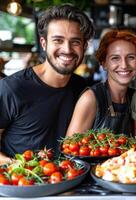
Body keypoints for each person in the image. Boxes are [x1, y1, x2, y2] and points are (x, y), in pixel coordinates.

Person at [0, 4, 94, 164]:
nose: (67, 49)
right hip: (21, 183)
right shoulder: (12, 88)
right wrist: (18, 166)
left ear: (84, 47)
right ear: (44, 44)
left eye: (75, 42)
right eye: (58, 40)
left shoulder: (80, 86)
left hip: (67, 181)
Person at [66, 30, 136, 137]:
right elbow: (70, 149)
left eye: (131, 57)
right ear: (104, 63)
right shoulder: (90, 99)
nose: (124, 65)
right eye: (115, 58)